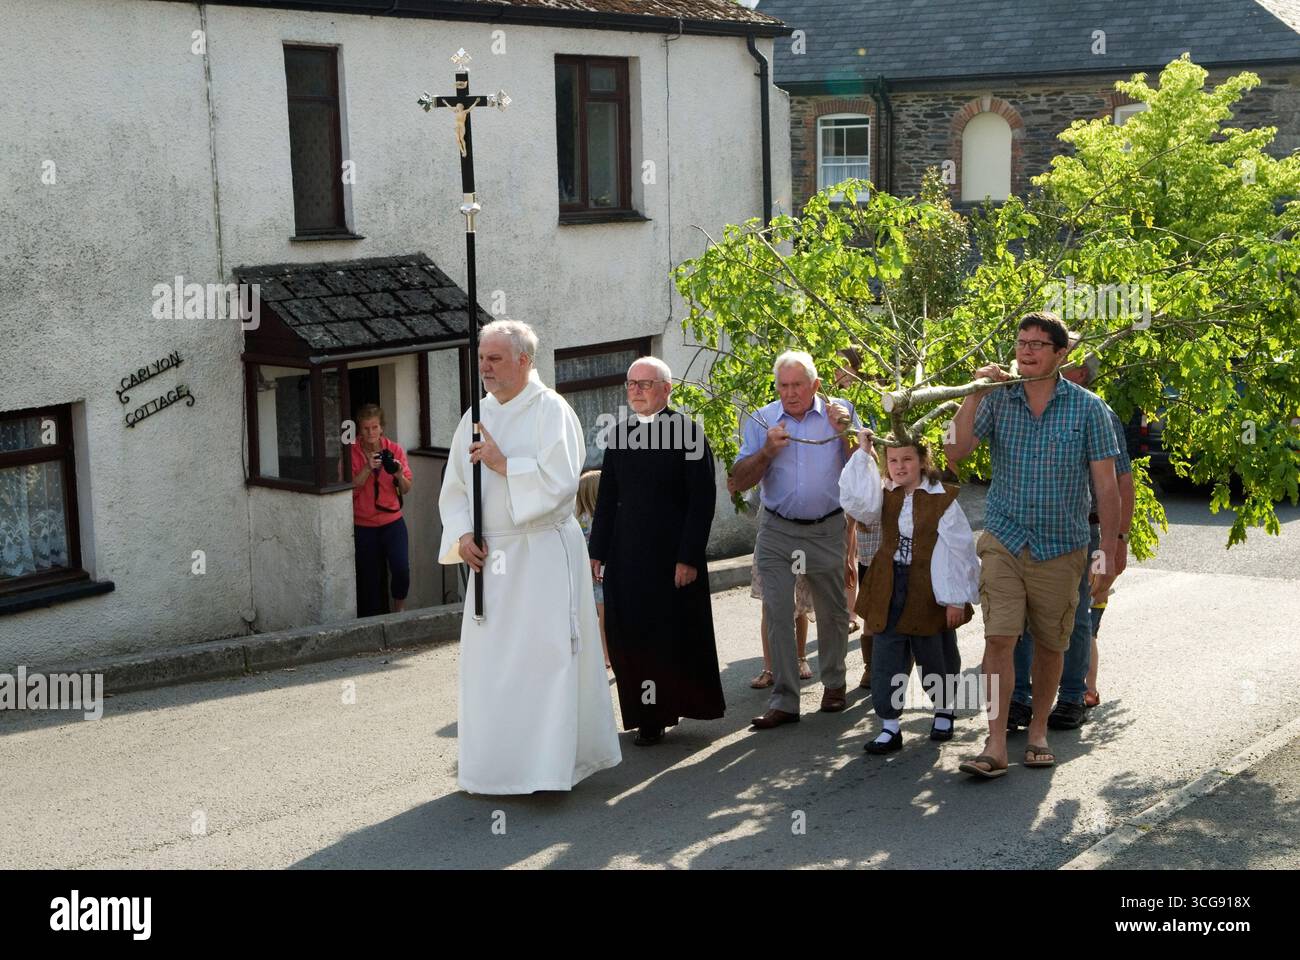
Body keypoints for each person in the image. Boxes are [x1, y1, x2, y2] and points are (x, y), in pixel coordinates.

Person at [437, 319, 621, 794]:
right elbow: (454, 488)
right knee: (492, 666)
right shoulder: (474, 415)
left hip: (540, 553)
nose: (485, 367)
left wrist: (503, 463)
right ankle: (494, 769)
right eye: (481, 358)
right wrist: (461, 535)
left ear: (525, 360)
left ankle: (548, 767)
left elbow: (561, 485)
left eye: (495, 358)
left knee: (544, 659)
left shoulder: (551, 411)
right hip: (490, 560)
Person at [945, 311, 1121, 778]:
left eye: (1038, 344)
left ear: (1061, 354)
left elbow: (1106, 487)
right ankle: (996, 742)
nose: (1026, 350)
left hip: (1063, 545)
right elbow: (953, 451)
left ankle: (1038, 731)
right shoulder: (998, 401)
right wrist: (975, 393)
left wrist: (1109, 548)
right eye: (1022, 342)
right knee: (999, 636)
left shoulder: (1089, 409)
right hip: (1004, 537)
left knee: (1050, 642)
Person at [588, 357, 726, 746]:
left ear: (666, 389)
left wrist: (688, 557)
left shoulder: (688, 434)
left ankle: (674, 706)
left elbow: (702, 501)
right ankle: (648, 716)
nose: (636, 391)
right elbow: (607, 497)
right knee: (631, 637)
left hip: (671, 559)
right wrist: (596, 551)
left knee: (671, 636)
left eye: (645, 384)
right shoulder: (619, 434)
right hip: (627, 556)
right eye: (631, 384)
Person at [729, 351, 861, 729]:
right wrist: (767, 451)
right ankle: (785, 700)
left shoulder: (841, 412)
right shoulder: (763, 419)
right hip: (777, 529)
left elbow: (863, 468)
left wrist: (847, 435)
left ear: (815, 386)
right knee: (778, 611)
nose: (789, 393)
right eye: (783, 386)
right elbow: (739, 479)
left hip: (826, 527)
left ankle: (834, 684)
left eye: (797, 385)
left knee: (834, 612)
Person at [1008, 341, 1134, 731]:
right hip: (1026, 529)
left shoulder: (1096, 411)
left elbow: (1122, 482)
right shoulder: (1019, 400)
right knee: (1022, 617)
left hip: (1085, 530)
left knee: (1077, 615)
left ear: (1076, 372)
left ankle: (1072, 697)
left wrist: (1117, 544)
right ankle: (1019, 699)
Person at [840, 431, 979, 753]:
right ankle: (890, 726)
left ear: (921, 460)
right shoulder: (883, 494)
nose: (899, 466)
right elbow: (854, 501)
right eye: (892, 460)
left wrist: (956, 597)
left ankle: (943, 711)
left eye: (907, 459)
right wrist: (862, 455)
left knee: (936, 654)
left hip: (931, 587)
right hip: (888, 585)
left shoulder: (942, 497)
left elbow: (959, 549)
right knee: (886, 655)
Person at [350, 404, 413, 618]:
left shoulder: (394, 450)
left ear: (381, 428)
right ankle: (373, 621)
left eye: (374, 427)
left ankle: (399, 612)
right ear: (360, 430)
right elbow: (347, 492)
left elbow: (406, 488)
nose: (370, 433)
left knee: (401, 568)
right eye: (366, 428)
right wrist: (368, 468)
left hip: (392, 521)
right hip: (363, 525)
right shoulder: (352, 453)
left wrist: (397, 474)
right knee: (370, 578)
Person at [575, 470, 611, 669]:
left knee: (601, 618)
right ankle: (607, 656)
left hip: (591, 576)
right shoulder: (596, 520)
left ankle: (606, 656)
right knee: (606, 619)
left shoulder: (579, 520)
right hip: (601, 574)